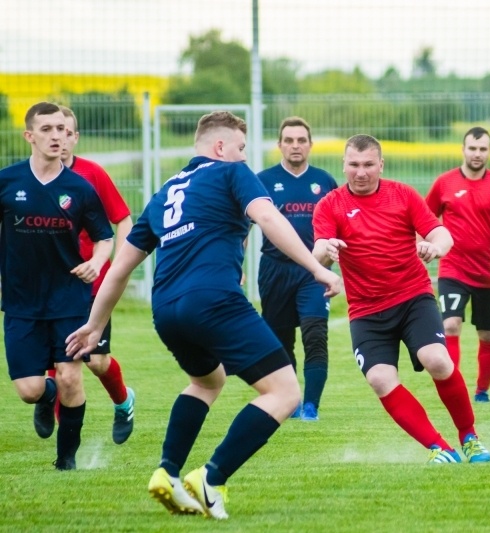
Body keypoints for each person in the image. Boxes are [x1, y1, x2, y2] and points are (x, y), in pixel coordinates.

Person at [65, 111, 341, 519]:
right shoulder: (233, 172)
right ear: (220, 147)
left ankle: (168, 472)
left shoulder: (164, 193)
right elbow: (268, 218)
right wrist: (317, 268)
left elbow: (121, 267)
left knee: (207, 380)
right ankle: (212, 478)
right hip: (213, 300)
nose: (244, 154)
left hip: (166, 309)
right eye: (241, 147)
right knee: (285, 392)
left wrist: (95, 323)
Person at [312, 134, 490, 464]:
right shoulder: (330, 205)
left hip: (413, 298)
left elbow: (440, 232)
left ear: (381, 165)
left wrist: (436, 247)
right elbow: (318, 252)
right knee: (380, 379)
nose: (361, 172)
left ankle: (469, 437)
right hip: (366, 310)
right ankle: (440, 448)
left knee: (437, 359)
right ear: (344, 165)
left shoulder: (402, 195)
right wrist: (326, 251)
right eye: (354, 165)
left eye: (368, 165)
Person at [0, 102, 114, 470]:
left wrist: (96, 263)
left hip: (69, 300)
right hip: (20, 301)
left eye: (61, 130)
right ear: (29, 136)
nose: (56, 136)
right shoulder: (7, 181)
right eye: (46, 129)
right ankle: (46, 398)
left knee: (69, 376)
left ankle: (66, 461)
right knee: (30, 390)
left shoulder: (79, 188)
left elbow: (104, 237)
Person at [43, 106, 136, 445]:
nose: (60, 138)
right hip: (52, 286)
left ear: (75, 137)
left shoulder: (92, 174)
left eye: (67, 132)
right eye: (53, 131)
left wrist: (117, 265)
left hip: (93, 286)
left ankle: (123, 402)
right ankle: (64, 444)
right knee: (61, 361)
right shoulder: (33, 180)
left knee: (95, 361)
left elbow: (123, 219)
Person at [425, 127, 490, 404]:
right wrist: (424, 245)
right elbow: (425, 217)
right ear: (463, 149)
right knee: (451, 324)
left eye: (482, 149)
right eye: (472, 148)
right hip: (453, 269)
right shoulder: (444, 183)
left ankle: (481, 391)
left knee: (487, 334)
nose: (477, 154)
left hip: (489, 273)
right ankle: (454, 388)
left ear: (489, 151)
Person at [256, 117, 338, 421]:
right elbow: (241, 227)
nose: (295, 145)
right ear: (279, 145)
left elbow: (341, 226)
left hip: (313, 272)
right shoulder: (261, 180)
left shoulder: (325, 182)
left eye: (301, 140)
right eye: (289, 140)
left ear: (310, 145)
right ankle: (291, 401)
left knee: (315, 334)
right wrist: (233, 266)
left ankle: (311, 406)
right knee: (280, 340)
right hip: (274, 270)